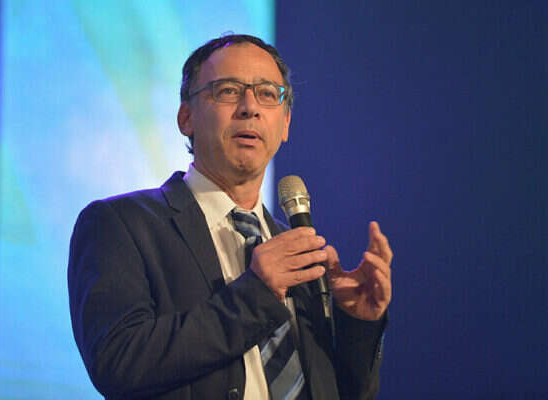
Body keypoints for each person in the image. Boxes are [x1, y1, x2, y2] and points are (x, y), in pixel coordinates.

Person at [68, 34, 392, 400]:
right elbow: (118, 363)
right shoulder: (121, 225)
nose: (250, 107)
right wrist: (257, 294)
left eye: (267, 93)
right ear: (186, 117)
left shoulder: (296, 253)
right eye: (228, 91)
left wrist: (358, 325)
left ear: (285, 124)